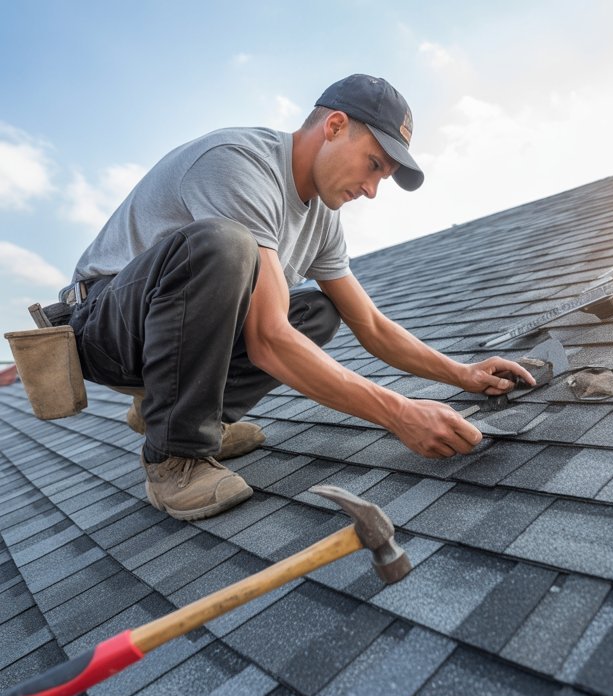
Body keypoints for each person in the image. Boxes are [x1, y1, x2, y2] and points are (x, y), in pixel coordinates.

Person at [61, 74, 534, 521]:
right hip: (103, 327)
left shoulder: (324, 217)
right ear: (334, 126)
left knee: (318, 311)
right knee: (227, 246)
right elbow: (268, 339)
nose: (371, 190)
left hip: (163, 333)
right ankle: (174, 456)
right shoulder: (238, 164)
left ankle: (184, 414)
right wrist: (400, 413)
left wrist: (463, 374)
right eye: (373, 165)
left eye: (383, 178)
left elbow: (369, 325)